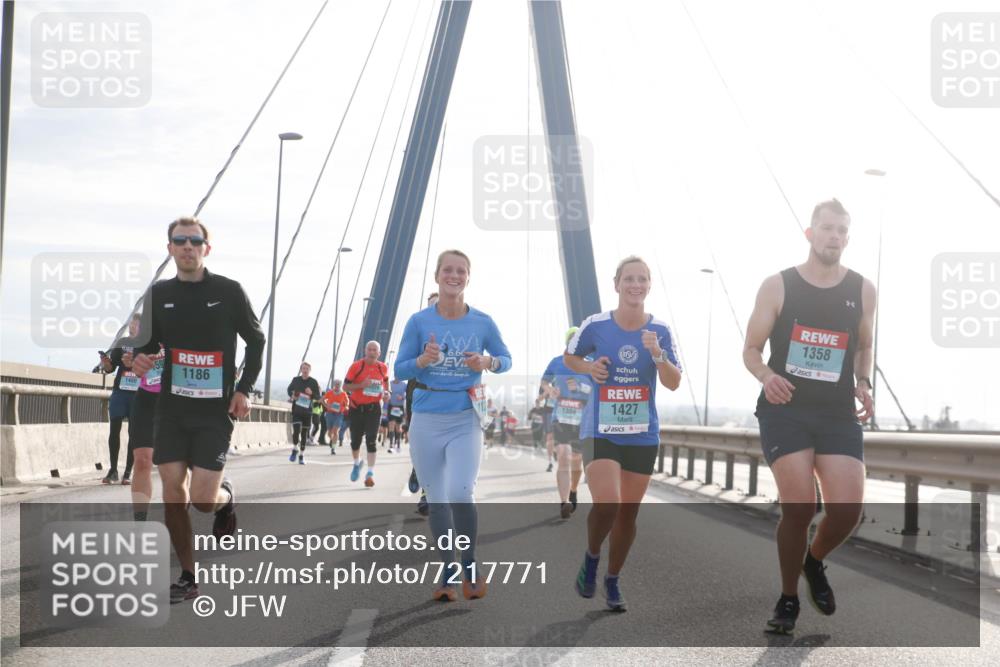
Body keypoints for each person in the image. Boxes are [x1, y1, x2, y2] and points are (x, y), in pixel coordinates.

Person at [743, 199, 875, 635]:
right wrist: (765, 376)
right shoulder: (777, 285)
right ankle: (787, 599)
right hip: (786, 411)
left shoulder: (862, 289)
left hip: (837, 413)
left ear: (847, 238)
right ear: (810, 233)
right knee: (800, 505)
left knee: (847, 510)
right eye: (826, 228)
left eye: (841, 230)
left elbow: (863, 345)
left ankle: (813, 561)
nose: (833, 236)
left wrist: (863, 382)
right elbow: (750, 349)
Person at [133, 216, 265, 604]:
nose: (187, 247)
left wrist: (243, 389)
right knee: (174, 493)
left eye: (194, 241)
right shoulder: (158, 294)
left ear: (207, 248)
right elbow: (147, 343)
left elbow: (255, 343)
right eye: (180, 241)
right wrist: (139, 358)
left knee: (204, 500)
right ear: (170, 248)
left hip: (213, 413)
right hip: (170, 409)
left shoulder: (229, 291)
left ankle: (226, 499)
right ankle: (188, 576)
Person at [564, 255, 681, 611]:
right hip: (601, 429)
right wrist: (590, 367)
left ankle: (612, 580)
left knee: (628, 514)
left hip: (642, 433)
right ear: (616, 284)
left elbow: (673, 383)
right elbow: (570, 358)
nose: (635, 285)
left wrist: (658, 355)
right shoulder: (596, 325)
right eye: (629, 278)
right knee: (608, 503)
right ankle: (592, 557)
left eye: (642, 279)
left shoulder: (659, 330)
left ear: (649, 285)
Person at [395, 249, 511, 602]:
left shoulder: (483, 322)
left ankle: (470, 563)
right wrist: (421, 360)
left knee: (461, 492)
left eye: (461, 270)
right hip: (427, 418)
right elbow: (399, 371)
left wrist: (487, 360)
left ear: (468, 277)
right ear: (437, 275)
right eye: (448, 270)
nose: (454, 275)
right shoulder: (418, 322)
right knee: (438, 499)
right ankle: (448, 569)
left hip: (465, 416)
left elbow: (506, 360)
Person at [544, 326, 593, 519]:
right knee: (563, 456)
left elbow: (598, 391)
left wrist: (580, 387)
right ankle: (564, 502)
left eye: (578, 339)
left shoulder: (592, 364)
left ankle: (573, 489)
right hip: (561, 417)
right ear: (567, 342)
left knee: (576, 461)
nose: (575, 343)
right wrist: (550, 390)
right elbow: (544, 382)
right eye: (571, 339)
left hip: (583, 420)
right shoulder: (557, 362)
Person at [406, 292, 439, 517]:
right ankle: (418, 470)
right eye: (431, 306)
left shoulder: (462, 329)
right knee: (421, 444)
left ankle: (428, 493)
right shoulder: (415, 329)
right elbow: (404, 363)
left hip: (449, 397)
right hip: (418, 393)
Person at [99, 314, 141, 484]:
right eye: (131, 324)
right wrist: (105, 362)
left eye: (136, 325)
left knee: (134, 433)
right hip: (120, 392)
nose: (131, 327)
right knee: (114, 429)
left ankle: (128, 473)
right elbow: (110, 368)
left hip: (138, 394)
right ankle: (113, 470)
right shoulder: (122, 343)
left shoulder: (148, 345)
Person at [125, 335, 164, 521]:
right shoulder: (149, 329)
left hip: (177, 400)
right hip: (146, 399)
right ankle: (140, 525)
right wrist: (133, 361)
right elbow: (134, 359)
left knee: (176, 467)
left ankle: (178, 519)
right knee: (142, 460)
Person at [343, 341, 389, 487]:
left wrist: (388, 393)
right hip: (357, 409)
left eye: (374, 350)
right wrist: (361, 386)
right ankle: (357, 463)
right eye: (369, 349)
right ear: (365, 351)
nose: (371, 352)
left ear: (379, 353)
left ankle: (370, 473)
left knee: (371, 440)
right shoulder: (356, 366)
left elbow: (386, 385)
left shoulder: (383, 368)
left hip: (374, 409)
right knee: (355, 442)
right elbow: (345, 386)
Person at [287, 362, 320, 465]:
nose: (305, 370)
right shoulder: (295, 380)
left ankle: (301, 455)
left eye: (307, 369)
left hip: (307, 412)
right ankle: (295, 448)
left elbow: (318, 397)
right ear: (301, 370)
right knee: (296, 431)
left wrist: (312, 393)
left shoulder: (313, 382)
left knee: (304, 434)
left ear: (310, 370)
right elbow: (289, 390)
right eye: (303, 368)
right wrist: (293, 395)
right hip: (296, 410)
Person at [322, 379, 350, 454]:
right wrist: (326, 405)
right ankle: (331, 440)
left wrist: (346, 406)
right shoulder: (330, 393)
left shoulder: (343, 394)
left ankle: (333, 448)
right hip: (329, 414)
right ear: (334, 385)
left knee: (335, 431)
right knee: (329, 433)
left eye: (338, 384)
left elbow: (347, 402)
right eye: (336, 384)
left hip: (339, 414)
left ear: (340, 385)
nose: (337, 385)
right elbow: (322, 399)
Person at [387, 378, 407, 453]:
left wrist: (402, 397)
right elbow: (385, 392)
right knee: (391, 424)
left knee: (398, 427)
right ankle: (391, 444)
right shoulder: (390, 383)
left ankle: (398, 443)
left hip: (399, 407)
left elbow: (408, 394)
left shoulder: (404, 384)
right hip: (391, 406)